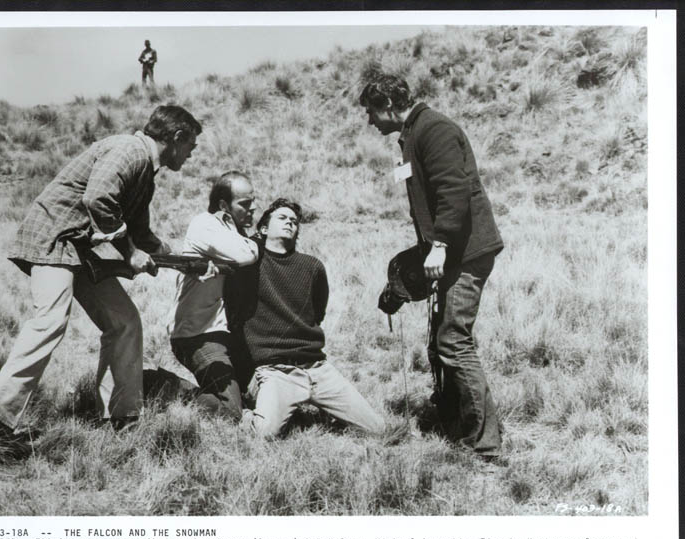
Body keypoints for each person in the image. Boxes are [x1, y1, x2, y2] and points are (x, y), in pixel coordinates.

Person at [0, 104, 202, 453]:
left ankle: (120, 417)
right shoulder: (129, 150)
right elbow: (98, 198)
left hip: (79, 250)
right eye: (191, 145)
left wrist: (180, 260)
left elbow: (140, 232)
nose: (191, 154)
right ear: (176, 137)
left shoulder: (145, 172)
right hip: (54, 237)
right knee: (50, 321)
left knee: (124, 321)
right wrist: (129, 253)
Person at [360, 73, 504, 459]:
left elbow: (453, 191)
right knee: (441, 342)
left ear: (388, 105)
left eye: (371, 112)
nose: (370, 121)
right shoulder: (414, 133)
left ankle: (485, 446)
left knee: (453, 341)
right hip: (450, 252)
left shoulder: (434, 130)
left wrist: (439, 245)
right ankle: (454, 422)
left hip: (464, 252)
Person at [227, 199, 385, 438]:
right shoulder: (248, 266)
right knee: (264, 434)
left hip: (317, 368)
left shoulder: (312, 267)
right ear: (264, 228)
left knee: (377, 430)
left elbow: (318, 312)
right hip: (276, 370)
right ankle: (250, 409)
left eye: (294, 221)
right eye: (282, 218)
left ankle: (314, 407)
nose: (290, 222)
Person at [167, 171, 259, 421]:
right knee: (230, 411)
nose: (252, 208)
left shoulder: (233, 232)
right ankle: (159, 385)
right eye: (245, 203)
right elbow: (246, 255)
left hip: (227, 335)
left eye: (253, 201)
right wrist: (254, 240)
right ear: (223, 206)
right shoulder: (205, 224)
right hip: (198, 336)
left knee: (251, 397)